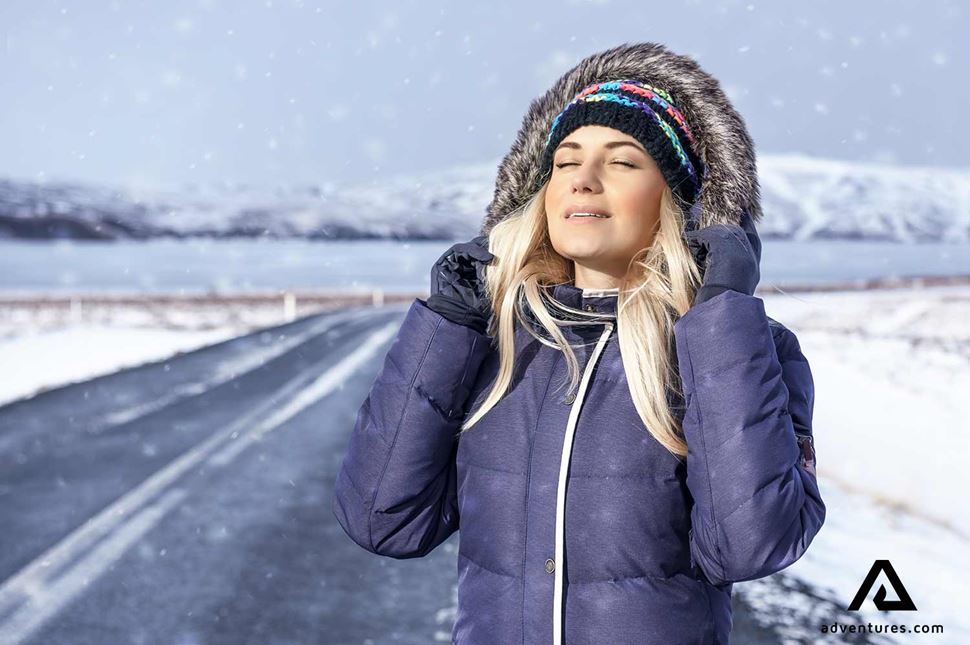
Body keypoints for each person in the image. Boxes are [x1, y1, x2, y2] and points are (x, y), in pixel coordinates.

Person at [332, 41, 824, 645]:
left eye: (621, 162)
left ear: (677, 200)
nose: (583, 181)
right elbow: (384, 520)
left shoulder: (743, 349)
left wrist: (720, 314)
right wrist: (449, 325)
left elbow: (753, 546)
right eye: (565, 162)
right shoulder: (494, 342)